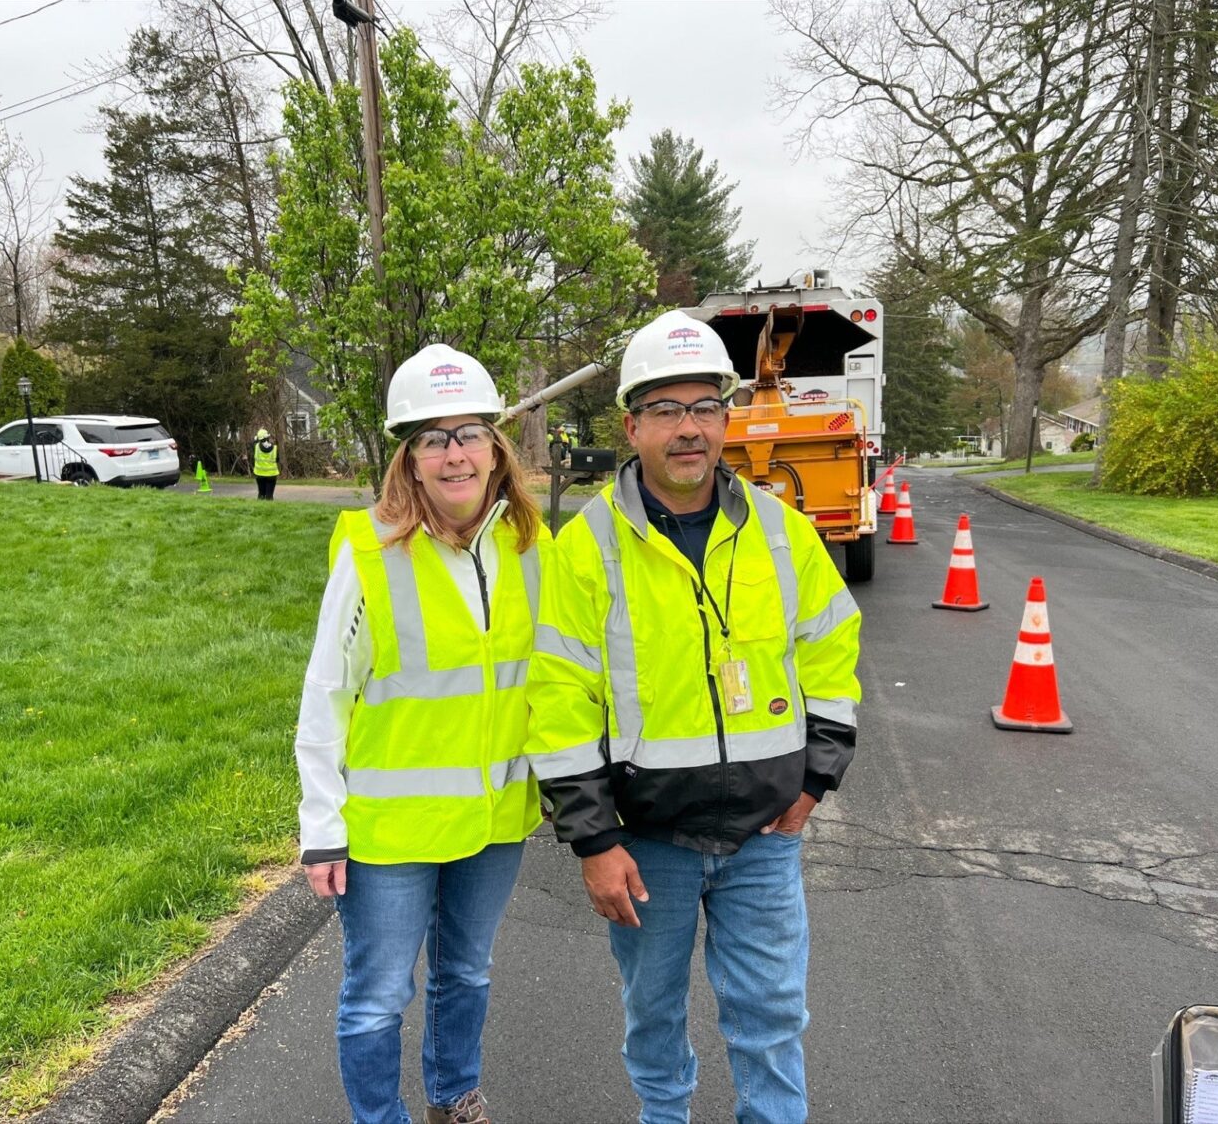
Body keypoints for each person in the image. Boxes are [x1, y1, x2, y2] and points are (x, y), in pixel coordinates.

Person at [526, 310, 862, 1124]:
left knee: (773, 1019)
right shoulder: (586, 547)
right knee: (653, 1017)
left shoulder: (782, 534)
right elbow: (560, 698)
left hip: (762, 838)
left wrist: (817, 775)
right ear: (632, 425)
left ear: (726, 418)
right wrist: (594, 839)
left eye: (705, 407)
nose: (688, 429)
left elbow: (829, 650)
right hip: (646, 843)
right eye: (667, 411)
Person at [294, 343, 547, 1124]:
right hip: (388, 830)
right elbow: (325, 696)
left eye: (469, 432)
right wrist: (322, 827)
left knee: (466, 971)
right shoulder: (369, 554)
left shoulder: (530, 547)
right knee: (377, 996)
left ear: (496, 446)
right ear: (409, 457)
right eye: (433, 438)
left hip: (495, 819)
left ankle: (452, 1092)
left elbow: (560, 677)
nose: (455, 453)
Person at [253, 427, 280, 499]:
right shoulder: (275, 448)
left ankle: (260, 508)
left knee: (261, 494)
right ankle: (269, 509)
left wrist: (256, 439)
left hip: (259, 474)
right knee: (269, 495)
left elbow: (255, 443)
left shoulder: (256, 447)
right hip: (271, 475)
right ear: (267, 437)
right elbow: (277, 460)